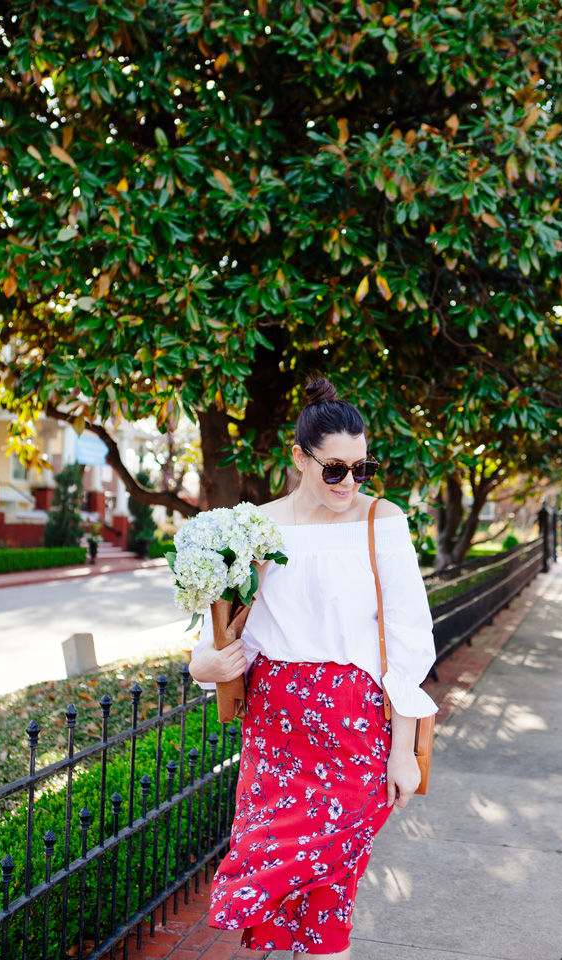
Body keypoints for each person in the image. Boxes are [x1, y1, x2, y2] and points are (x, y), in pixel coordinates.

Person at [189, 377, 437, 958]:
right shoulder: (250, 530)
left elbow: (406, 645)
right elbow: (222, 637)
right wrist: (205, 663)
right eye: (333, 469)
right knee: (276, 896)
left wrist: (403, 750)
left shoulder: (383, 523)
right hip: (276, 734)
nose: (349, 483)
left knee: (331, 892)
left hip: (356, 733)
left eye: (361, 469)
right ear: (299, 457)